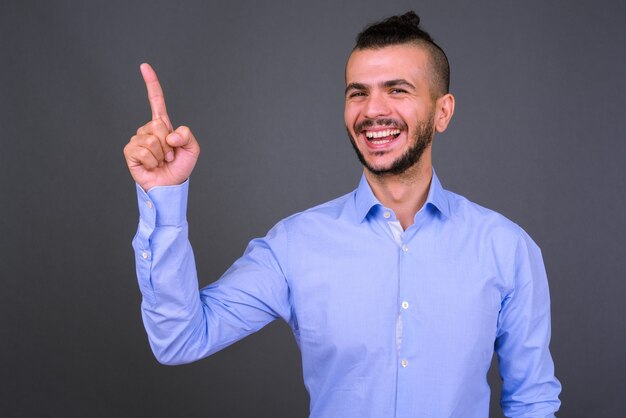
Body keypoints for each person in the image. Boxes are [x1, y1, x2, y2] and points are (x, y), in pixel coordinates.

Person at [124, 11, 561, 417]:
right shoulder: (294, 245)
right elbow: (180, 340)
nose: (373, 110)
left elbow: (532, 402)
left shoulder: (507, 248)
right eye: (358, 93)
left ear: (442, 112)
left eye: (397, 90)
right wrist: (165, 198)